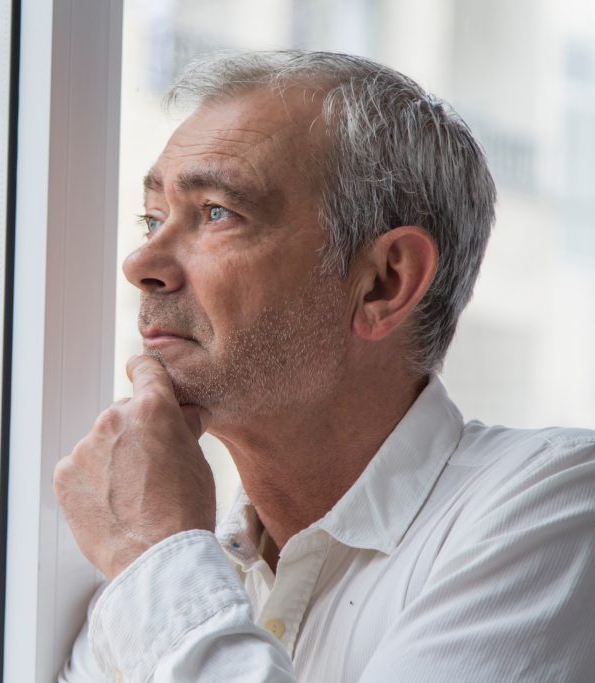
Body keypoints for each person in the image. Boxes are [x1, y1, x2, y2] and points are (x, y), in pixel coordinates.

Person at [53, 50, 595, 682]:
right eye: (152, 218)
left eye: (216, 213)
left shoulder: (555, 505)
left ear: (384, 283)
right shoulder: (172, 556)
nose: (141, 262)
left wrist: (155, 555)